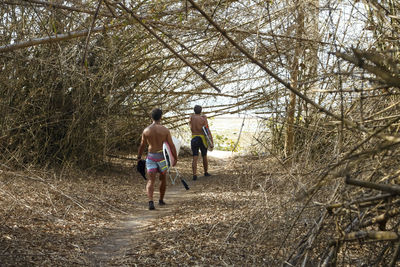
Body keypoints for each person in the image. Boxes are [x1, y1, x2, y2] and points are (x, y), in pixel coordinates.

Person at [137, 108, 177, 210]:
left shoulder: (146, 130)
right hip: (162, 158)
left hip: (151, 157)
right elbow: (172, 146)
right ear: (161, 117)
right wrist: (175, 158)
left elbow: (142, 145)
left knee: (151, 180)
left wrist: (139, 157)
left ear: (151, 117)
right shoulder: (165, 130)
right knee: (163, 179)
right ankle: (161, 200)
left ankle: (150, 201)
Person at [189, 105, 213, 180]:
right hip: (202, 138)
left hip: (194, 137)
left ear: (194, 110)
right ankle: (205, 172)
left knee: (195, 157)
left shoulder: (191, 118)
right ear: (201, 111)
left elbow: (190, 124)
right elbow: (207, 129)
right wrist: (211, 140)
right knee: (204, 155)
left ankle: (194, 174)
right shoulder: (203, 118)